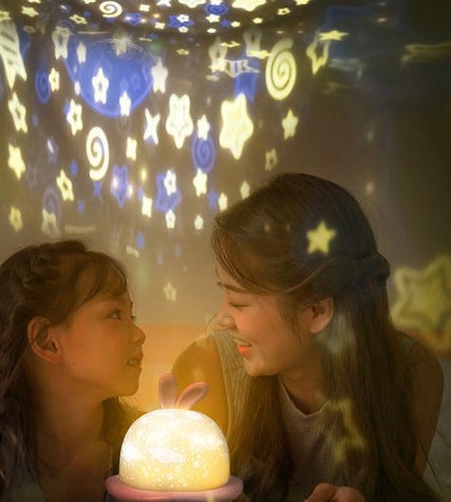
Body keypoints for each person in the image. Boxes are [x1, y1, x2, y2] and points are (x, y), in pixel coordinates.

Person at [171, 172, 443, 502]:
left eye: (239, 302)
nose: (222, 320)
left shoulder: (411, 371)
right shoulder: (206, 370)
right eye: (224, 292)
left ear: (316, 311)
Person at [0, 239, 146, 502]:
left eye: (132, 316)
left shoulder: (152, 446)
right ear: (47, 341)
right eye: (115, 314)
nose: (139, 334)